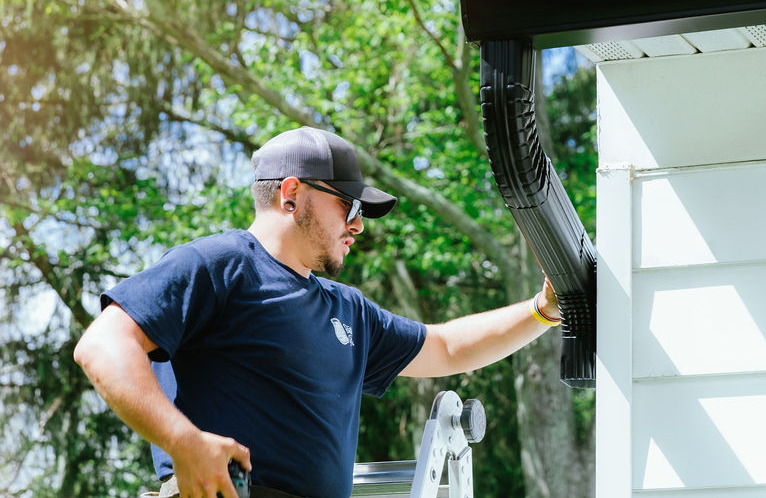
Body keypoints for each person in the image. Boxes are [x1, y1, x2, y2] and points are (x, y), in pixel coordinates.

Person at [73, 126, 561, 498]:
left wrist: (542, 311)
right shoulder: (218, 265)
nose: (358, 226)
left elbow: (447, 346)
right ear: (291, 195)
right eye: (348, 207)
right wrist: (184, 443)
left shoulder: (347, 309)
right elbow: (102, 345)